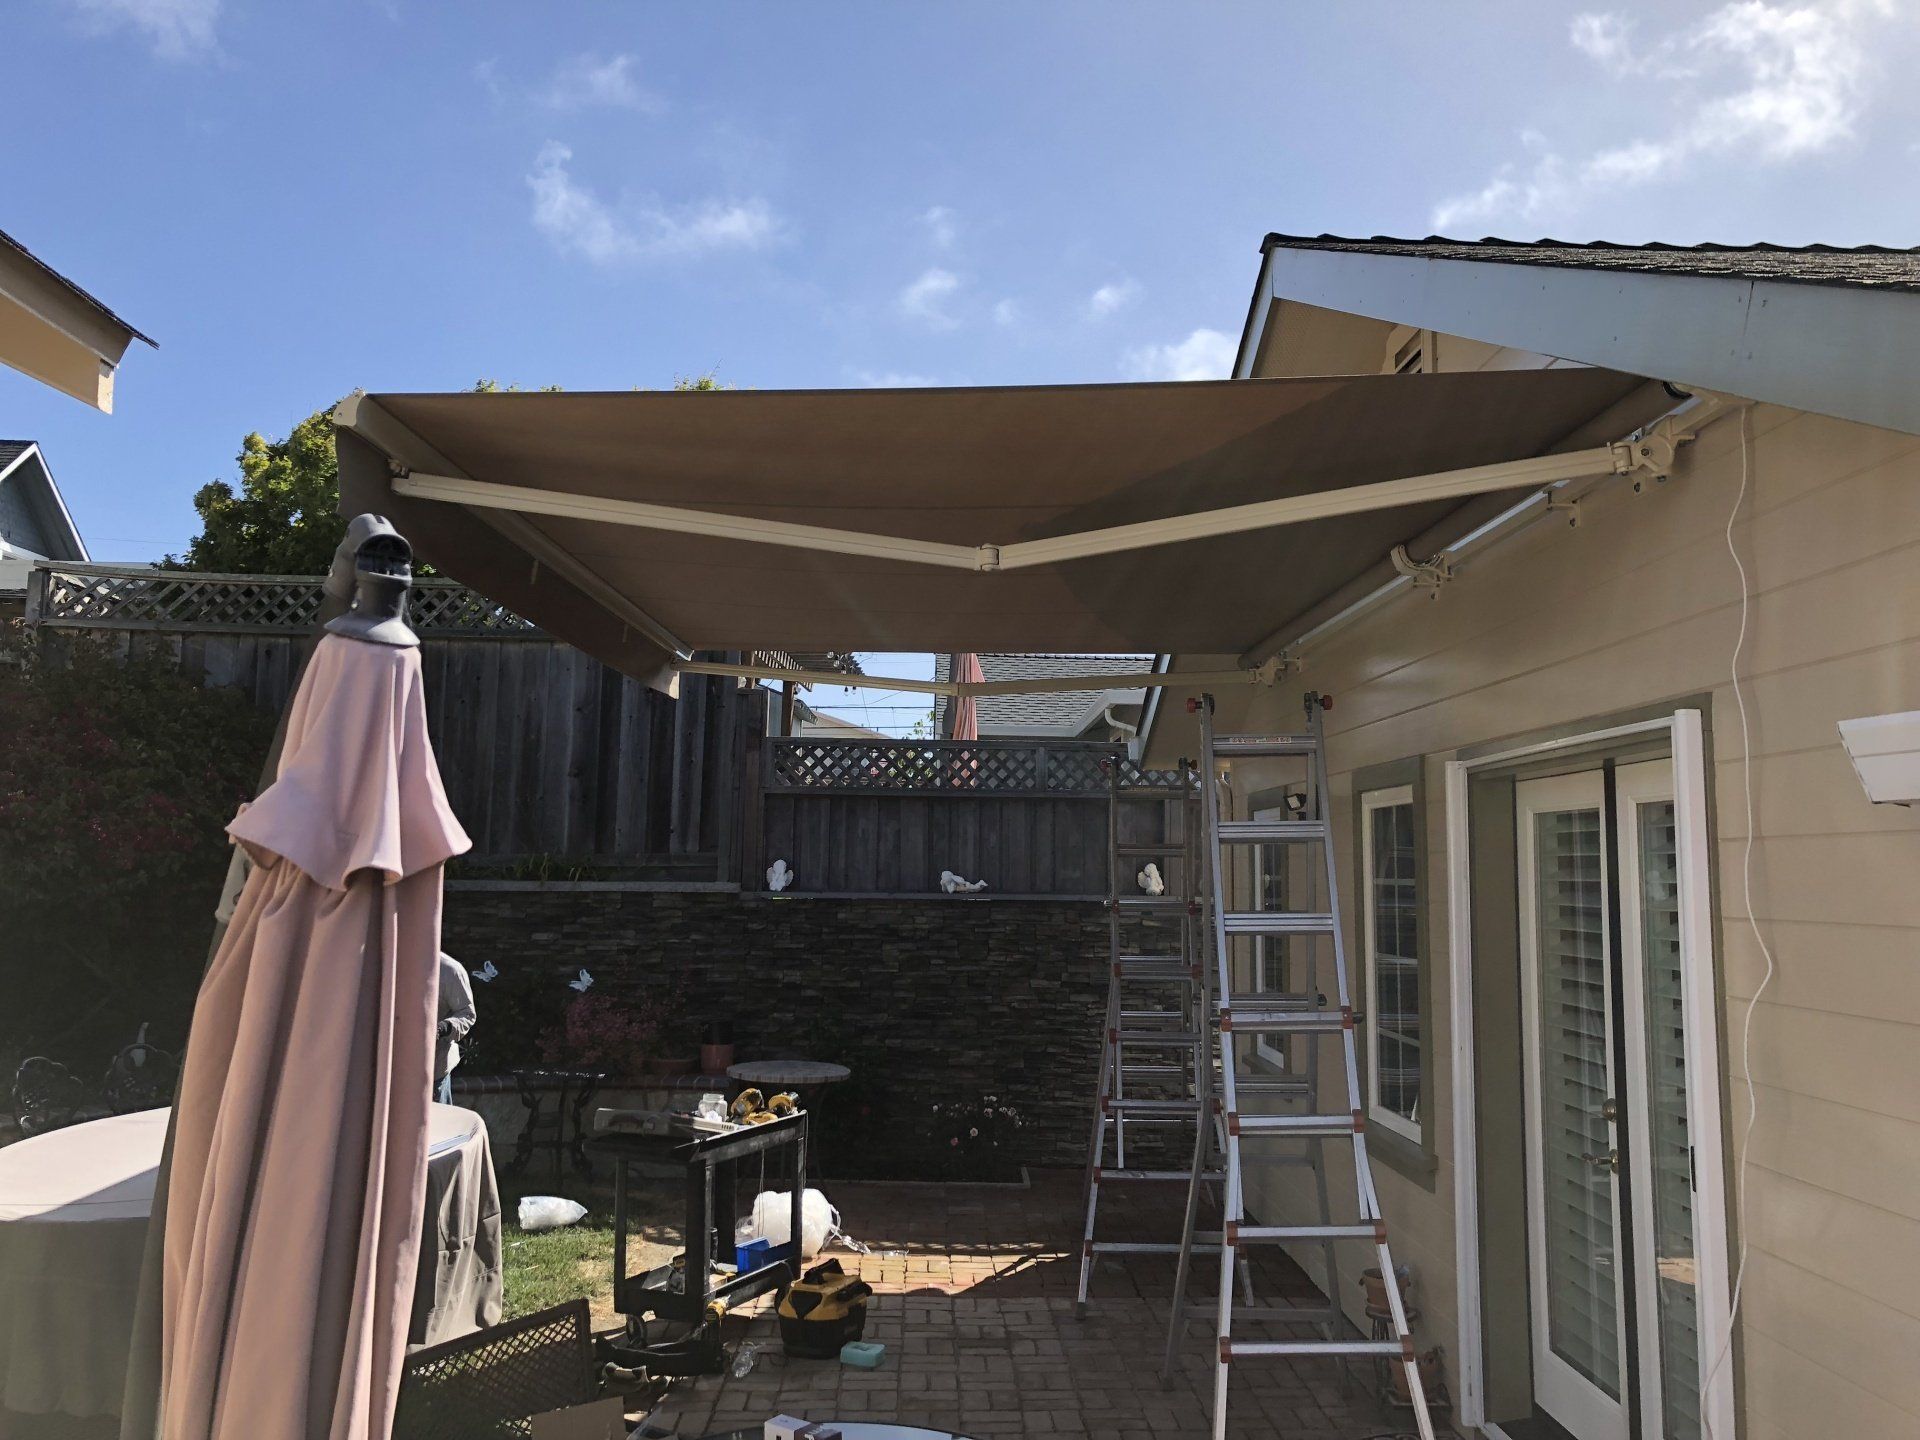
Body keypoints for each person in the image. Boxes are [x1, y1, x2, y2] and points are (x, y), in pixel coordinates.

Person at [435, 952, 477, 1104]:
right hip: (389, 1070)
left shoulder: (449, 970)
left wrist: (443, 1027)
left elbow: (467, 1013)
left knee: (437, 1125)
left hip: (434, 1070)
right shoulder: (384, 961)